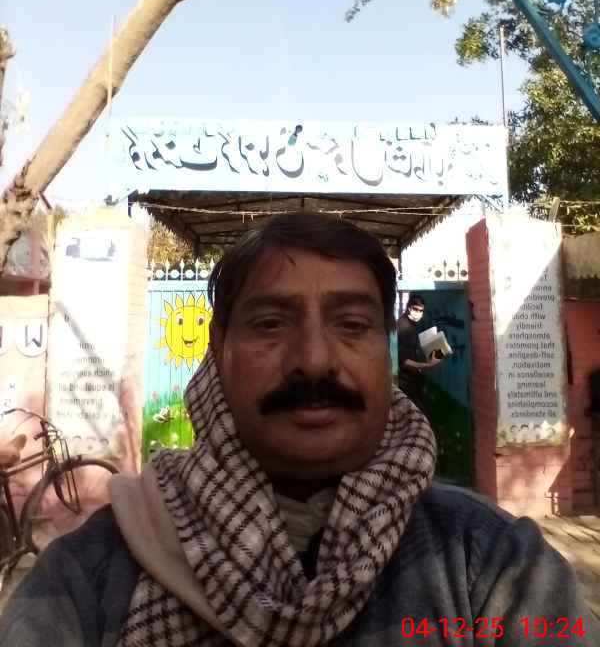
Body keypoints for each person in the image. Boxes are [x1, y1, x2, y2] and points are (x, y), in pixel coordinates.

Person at [1, 212, 597, 646]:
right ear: (218, 352)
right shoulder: (85, 578)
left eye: (352, 324)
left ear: (385, 352)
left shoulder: (495, 565)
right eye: (270, 323)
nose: (313, 360)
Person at [396, 293, 443, 409]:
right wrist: (428, 365)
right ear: (409, 308)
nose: (418, 313)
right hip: (405, 381)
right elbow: (404, 361)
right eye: (415, 309)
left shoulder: (411, 324)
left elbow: (412, 350)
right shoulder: (404, 327)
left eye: (421, 310)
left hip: (413, 379)